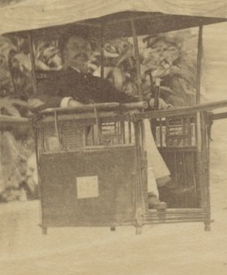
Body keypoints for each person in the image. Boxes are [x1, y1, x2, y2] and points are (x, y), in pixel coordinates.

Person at [32, 33, 172, 209]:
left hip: (106, 133)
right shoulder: (54, 80)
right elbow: (34, 102)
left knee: (139, 121)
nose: (82, 51)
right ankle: (156, 184)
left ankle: (153, 189)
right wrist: (67, 102)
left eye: (86, 48)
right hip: (76, 137)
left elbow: (124, 99)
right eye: (76, 46)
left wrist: (151, 102)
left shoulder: (98, 82)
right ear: (63, 52)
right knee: (132, 127)